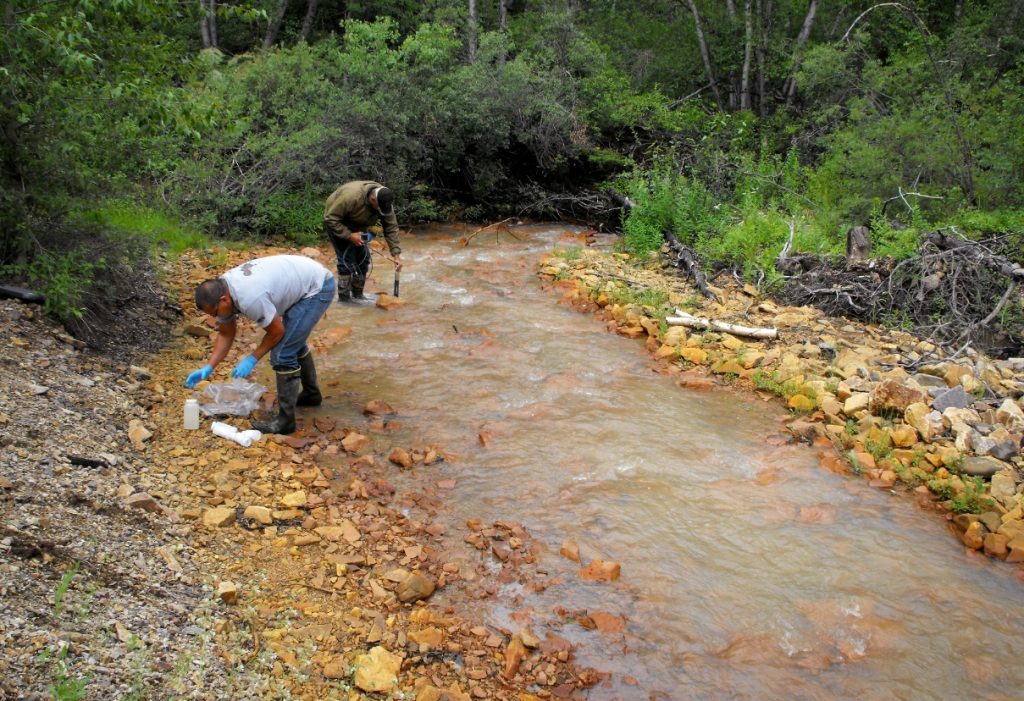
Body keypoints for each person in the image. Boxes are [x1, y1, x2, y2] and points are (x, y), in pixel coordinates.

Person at [184, 254, 335, 435]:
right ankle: (312, 396)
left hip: (317, 287)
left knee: (283, 354)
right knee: (293, 342)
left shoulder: (249, 297)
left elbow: (277, 332)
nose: (216, 317)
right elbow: (226, 332)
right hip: (303, 278)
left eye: (215, 312)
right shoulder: (224, 290)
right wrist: (209, 366)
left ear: (224, 300)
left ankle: (286, 422)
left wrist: (252, 358)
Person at [323, 180, 403, 302]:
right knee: (347, 261)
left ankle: (358, 296)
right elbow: (330, 219)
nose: (381, 212)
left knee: (363, 260)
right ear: (372, 200)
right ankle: (344, 300)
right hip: (338, 222)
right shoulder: (350, 197)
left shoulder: (384, 200)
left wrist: (396, 255)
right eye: (378, 208)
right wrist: (349, 235)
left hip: (360, 225)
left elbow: (391, 228)